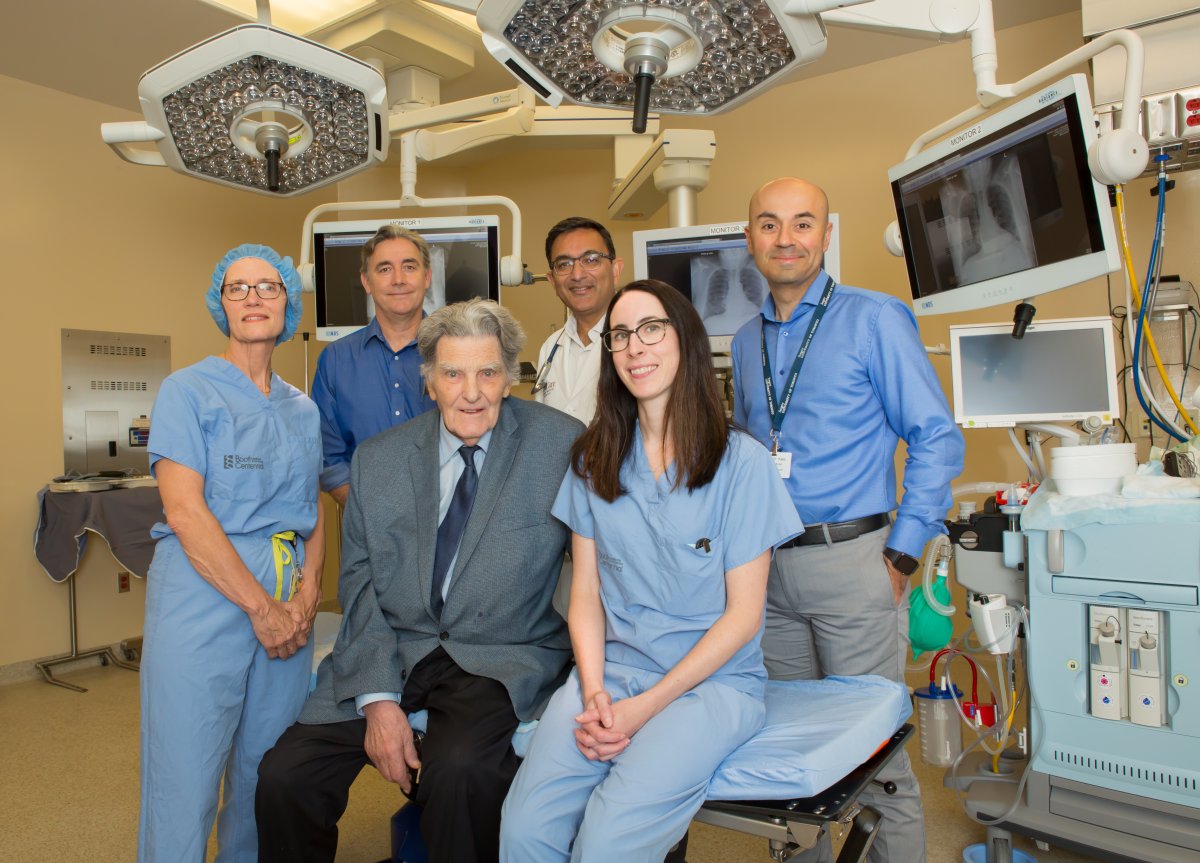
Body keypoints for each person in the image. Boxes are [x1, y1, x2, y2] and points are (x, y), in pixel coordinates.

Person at [256, 299, 583, 863]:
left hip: (501, 654)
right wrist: (378, 701)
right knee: (286, 776)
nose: (471, 392)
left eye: (487, 372)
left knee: (460, 773)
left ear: (509, 378)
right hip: (398, 647)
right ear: (429, 381)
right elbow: (358, 584)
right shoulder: (379, 461)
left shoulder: (562, 445)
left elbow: (598, 561)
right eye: (453, 373)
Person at [500, 280, 802, 862]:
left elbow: (742, 618)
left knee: (609, 841)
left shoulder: (741, 466)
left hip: (710, 688)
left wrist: (646, 707)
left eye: (651, 329)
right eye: (620, 335)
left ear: (684, 341)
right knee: (522, 831)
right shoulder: (595, 458)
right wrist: (592, 691)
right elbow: (585, 594)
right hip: (611, 674)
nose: (635, 347)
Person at [731, 177, 965, 863]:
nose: (786, 238)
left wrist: (901, 554)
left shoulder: (874, 318)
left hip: (855, 562)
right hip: (768, 572)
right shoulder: (745, 342)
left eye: (803, 224)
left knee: (875, 761)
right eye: (769, 224)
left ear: (826, 236)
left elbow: (935, 435)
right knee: (787, 756)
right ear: (750, 239)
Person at [139, 244, 324, 863]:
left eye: (268, 287)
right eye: (238, 288)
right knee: (184, 772)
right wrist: (260, 607)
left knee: (264, 770)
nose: (253, 298)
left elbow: (314, 508)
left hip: (285, 596)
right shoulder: (186, 391)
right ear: (220, 302)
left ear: (288, 302)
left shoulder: (303, 407)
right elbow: (185, 512)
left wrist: (306, 593)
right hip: (205, 593)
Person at [311, 224, 437, 507]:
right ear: (366, 282)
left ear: (427, 277)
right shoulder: (335, 360)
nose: (398, 280)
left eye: (409, 267)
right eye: (384, 269)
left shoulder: (455, 353)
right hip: (365, 526)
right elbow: (328, 456)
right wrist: (366, 515)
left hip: (450, 524)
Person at [532, 216, 624, 425]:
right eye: (564, 264)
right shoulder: (550, 348)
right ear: (552, 280)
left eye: (591, 259)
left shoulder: (635, 342)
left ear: (616, 270)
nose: (577, 274)